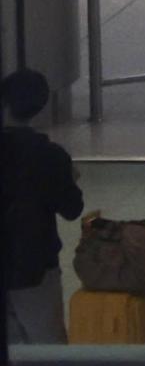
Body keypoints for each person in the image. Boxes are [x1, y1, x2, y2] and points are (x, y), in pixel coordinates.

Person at [3, 66, 89, 346]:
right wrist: (70, 180)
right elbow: (71, 209)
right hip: (34, 263)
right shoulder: (50, 156)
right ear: (40, 107)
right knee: (46, 343)